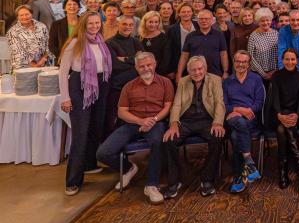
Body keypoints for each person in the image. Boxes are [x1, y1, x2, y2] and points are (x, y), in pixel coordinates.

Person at [95, 52, 173, 204]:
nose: (146, 69)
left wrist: (153, 120)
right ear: (136, 68)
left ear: (155, 64)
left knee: (158, 142)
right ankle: (129, 168)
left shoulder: (165, 83)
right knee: (103, 153)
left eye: (149, 65)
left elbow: (168, 107)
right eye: (142, 66)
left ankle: (151, 185)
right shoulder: (129, 87)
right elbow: (121, 112)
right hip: (132, 123)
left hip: (155, 122)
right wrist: (140, 121)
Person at [58, 12, 112, 196]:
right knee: (80, 134)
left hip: (100, 86)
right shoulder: (75, 43)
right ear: (83, 24)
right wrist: (65, 97)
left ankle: (89, 164)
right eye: (91, 23)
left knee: (95, 129)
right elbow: (63, 72)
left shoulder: (100, 41)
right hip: (79, 87)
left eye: (97, 23)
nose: (95, 26)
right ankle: (72, 180)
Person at [163, 56, 225, 198]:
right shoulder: (183, 81)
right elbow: (177, 104)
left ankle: (207, 179)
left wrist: (217, 123)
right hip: (186, 121)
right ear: (188, 71)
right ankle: (174, 181)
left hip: (206, 120)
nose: (197, 72)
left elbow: (219, 103)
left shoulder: (215, 80)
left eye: (200, 69)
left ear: (205, 69)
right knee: (169, 140)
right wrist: (173, 124)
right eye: (193, 70)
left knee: (217, 137)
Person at [223, 51, 265, 194]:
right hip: (232, 118)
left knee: (235, 136)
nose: (241, 64)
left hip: (250, 118)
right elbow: (223, 105)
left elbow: (259, 103)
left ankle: (238, 177)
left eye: (244, 62)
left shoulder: (256, 79)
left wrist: (246, 111)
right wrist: (238, 109)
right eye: (238, 61)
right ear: (233, 62)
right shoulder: (226, 82)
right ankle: (249, 161)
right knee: (238, 123)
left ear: (249, 64)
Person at [269, 49, 299, 189]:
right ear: (282, 60)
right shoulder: (277, 75)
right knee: (282, 128)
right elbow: (274, 97)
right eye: (287, 59)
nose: (290, 62)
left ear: (297, 61)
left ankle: (283, 172)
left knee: (282, 131)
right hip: (279, 112)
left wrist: (297, 114)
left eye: (293, 59)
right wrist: (279, 114)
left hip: (296, 113)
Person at [104, 16, 145, 137]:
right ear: (118, 25)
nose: (127, 27)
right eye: (124, 24)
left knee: (133, 116)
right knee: (115, 118)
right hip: (117, 87)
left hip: (135, 85)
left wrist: (126, 59)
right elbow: (115, 65)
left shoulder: (136, 41)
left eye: (130, 25)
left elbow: (143, 61)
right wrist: (135, 61)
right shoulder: (109, 43)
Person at [177, 9, 229, 79]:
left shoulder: (219, 35)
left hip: (215, 74)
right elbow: (184, 56)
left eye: (206, 19)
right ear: (197, 21)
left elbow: (223, 54)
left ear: (211, 20)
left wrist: (225, 71)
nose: (204, 21)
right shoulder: (190, 36)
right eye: (201, 19)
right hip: (194, 75)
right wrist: (179, 74)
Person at [8, 5, 54, 70]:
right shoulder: (13, 31)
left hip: (44, 64)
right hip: (23, 67)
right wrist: (34, 65)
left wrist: (43, 59)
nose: (24, 17)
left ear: (31, 14)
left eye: (27, 14)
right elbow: (18, 52)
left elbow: (49, 43)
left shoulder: (41, 26)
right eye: (21, 15)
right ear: (17, 17)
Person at [164, 4, 197, 81]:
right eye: (183, 12)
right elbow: (168, 51)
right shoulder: (171, 29)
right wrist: (170, 70)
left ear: (192, 13)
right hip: (178, 66)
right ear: (179, 13)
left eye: (188, 11)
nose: (186, 14)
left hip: (197, 65)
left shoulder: (198, 26)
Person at [139, 11, 169, 77]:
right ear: (145, 22)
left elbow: (166, 59)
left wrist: (156, 74)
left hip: (158, 73)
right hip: (141, 73)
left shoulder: (164, 37)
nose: (153, 25)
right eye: (150, 22)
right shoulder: (139, 37)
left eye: (156, 22)